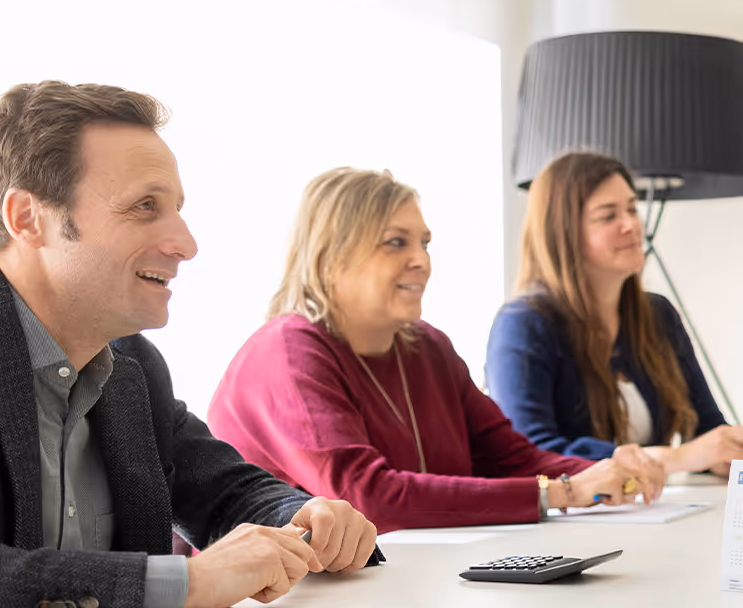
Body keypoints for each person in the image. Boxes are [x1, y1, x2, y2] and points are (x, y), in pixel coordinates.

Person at [0, 82, 377, 608]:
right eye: (145, 207)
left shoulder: (129, 362)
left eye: (177, 211)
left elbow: (227, 493)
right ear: (28, 218)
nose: (186, 243)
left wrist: (305, 516)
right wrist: (187, 582)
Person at [207, 166, 663, 535]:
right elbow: (367, 498)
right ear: (330, 257)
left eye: (424, 243)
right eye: (396, 242)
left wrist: (602, 471)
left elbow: (513, 459)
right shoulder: (289, 351)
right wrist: (561, 492)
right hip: (270, 607)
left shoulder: (427, 347)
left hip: (410, 576)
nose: (422, 260)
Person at [485, 150, 743, 471]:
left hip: (652, 512)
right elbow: (531, 453)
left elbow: (706, 432)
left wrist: (726, 451)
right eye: (608, 216)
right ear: (563, 233)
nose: (632, 225)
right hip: (572, 517)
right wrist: (673, 459)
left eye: (632, 209)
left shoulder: (658, 315)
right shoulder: (523, 324)